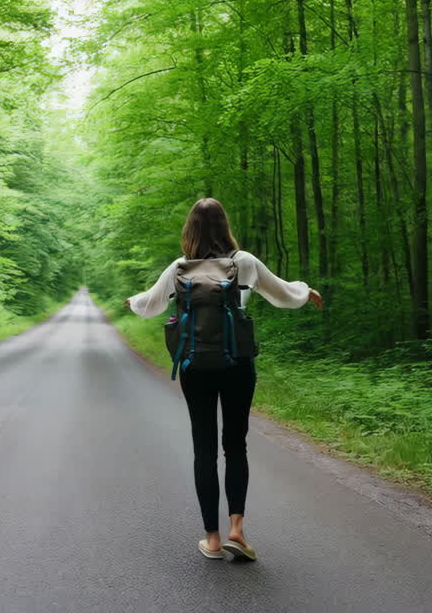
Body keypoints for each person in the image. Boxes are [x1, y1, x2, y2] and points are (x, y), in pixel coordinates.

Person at [124, 198, 323, 561]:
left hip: (195, 366)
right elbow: (282, 293)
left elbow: (150, 304)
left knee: (204, 449)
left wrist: (132, 301)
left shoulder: (179, 267)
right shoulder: (243, 262)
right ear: (224, 225)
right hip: (238, 364)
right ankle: (237, 530)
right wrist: (305, 292)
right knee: (235, 445)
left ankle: (212, 540)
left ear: (191, 230)